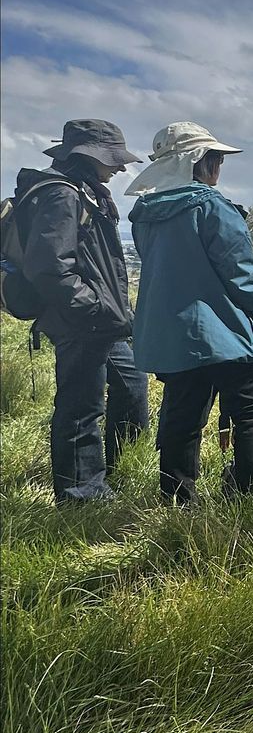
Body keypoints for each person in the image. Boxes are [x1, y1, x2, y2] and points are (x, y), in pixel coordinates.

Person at [128, 123, 253, 503]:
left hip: (172, 336)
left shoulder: (144, 215)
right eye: (216, 159)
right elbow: (241, 275)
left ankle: (177, 498)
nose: (219, 167)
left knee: (182, 413)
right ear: (201, 163)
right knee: (252, 408)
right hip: (224, 332)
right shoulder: (213, 207)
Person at [10, 119, 149, 502]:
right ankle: (82, 497)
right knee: (81, 407)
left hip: (102, 320)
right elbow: (48, 267)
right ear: (89, 157)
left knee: (132, 384)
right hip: (82, 321)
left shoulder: (80, 190)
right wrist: (92, 308)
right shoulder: (62, 195)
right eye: (113, 159)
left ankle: (122, 467)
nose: (120, 167)